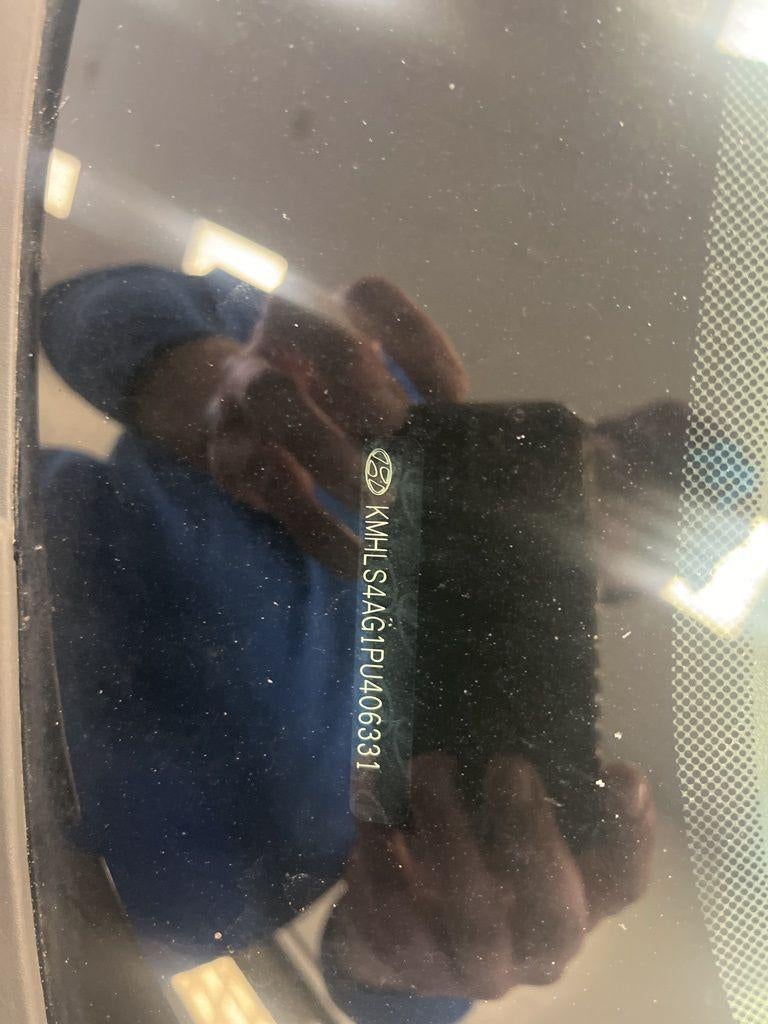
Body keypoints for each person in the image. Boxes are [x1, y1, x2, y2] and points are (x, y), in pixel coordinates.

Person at [40, 265, 655, 1022]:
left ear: (624, 592)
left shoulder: (536, 749)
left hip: (54, 938)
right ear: (577, 439)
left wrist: (411, 955)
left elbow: (388, 1007)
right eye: (619, 463)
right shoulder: (364, 399)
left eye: (650, 535)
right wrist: (207, 380)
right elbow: (76, 307)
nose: (612, 511)